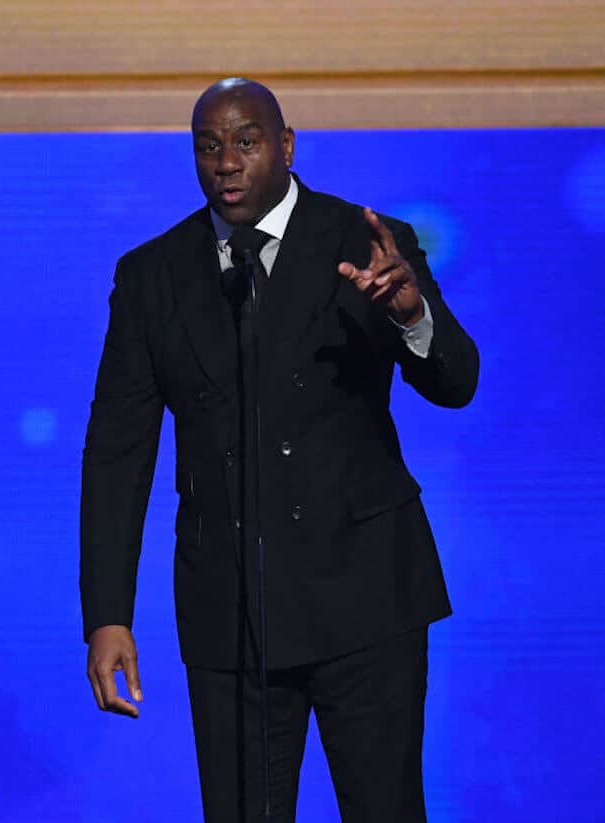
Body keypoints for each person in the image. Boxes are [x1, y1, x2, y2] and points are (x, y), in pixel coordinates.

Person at [80, 77, 478, 822]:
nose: (227, 162)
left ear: (287, 147)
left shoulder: (365, 242)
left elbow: (457, 382)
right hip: (230, 613)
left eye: (247, 142)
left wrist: (413, 315)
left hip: (366, 603)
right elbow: (116, 453)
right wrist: (108, 614)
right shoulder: (153, 276)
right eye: (209, 147)